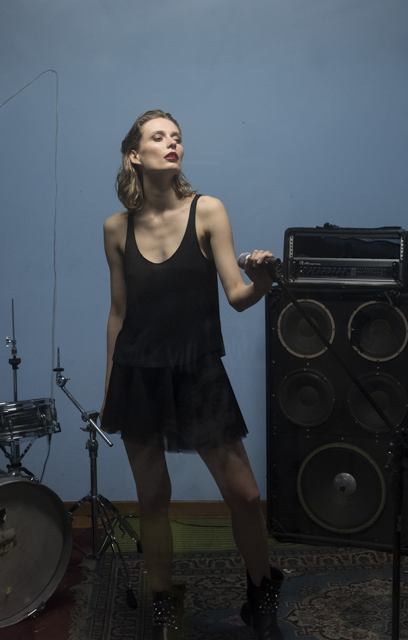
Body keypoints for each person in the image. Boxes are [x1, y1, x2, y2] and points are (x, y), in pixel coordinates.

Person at [100, 109, 286, 640]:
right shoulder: (116, 229)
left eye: (177, 137)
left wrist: (263, 281)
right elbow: (118, 313)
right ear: (135, 154)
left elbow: (238, 296)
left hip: (198, 371)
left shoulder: (208, 211)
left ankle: (262, 594)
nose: (172, 143)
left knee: (244, 495)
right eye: (158, 136)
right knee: (153, 499)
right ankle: (164, 607)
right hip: (138, 375)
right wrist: (110, 388)